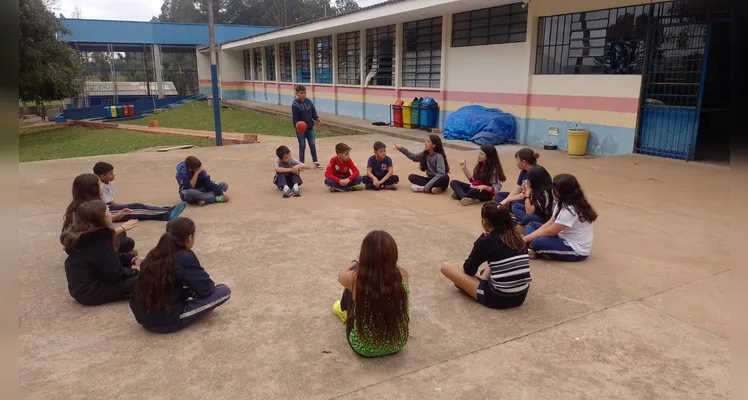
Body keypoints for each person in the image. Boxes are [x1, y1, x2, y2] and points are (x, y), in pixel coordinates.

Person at [130, 217, 231, 334]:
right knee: (223, 291)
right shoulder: (184, 257)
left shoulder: (154, 253)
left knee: (185, 283)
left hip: (141, 315)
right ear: (189, 238)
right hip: (165, 321)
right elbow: (207, 290)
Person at [332, 230, 409, 357]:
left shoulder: (355, 279)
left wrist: (353, 265)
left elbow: (340, 276)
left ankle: (343, 310)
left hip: (364, 348)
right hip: (397, 343)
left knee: (351, 287)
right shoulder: (403, 275)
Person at [440, 202, 531, 309]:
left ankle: (476, 286)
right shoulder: (517, 237)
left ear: (485, 221)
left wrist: (480, 239)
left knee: (446, 267)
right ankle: (481, 282)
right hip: (520, 296)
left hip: (497, 298)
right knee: (497, 260)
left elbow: (469, 270)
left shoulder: (485, 241)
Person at [62, 200, 140, 306]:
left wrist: (131, 258)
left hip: (84, 287)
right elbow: (115, 274)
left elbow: (110, 258)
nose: (110, 214)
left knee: (139, 261)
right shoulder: (99, 240)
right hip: (91, 292)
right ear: (101, 218)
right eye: (108, 212)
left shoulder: (85, 235)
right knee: (144, 276)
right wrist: (134, 270)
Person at [524, 174, 597, 262]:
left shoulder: (570, 209)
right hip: (561, 236)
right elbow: (550, 223)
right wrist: (530, 237)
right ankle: (531, 247)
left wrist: (525, 239)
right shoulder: (563, 202)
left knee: (537, 242)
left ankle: (531, 247)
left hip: (575, 249)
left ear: (560, 192)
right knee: (533, 225)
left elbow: (550, 231)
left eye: (554, 189)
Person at [63, 173, 137, 255]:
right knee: (128, 242)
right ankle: (114, 256)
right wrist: (122, 227)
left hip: (83, 241)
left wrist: (117, 216)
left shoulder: (77, 204)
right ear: (94, 189)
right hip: (87, 245)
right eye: (100, 185)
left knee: (122, 235)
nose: (102, 187)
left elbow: (98, 221)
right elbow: (96, 236)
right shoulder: (90, 208)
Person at [93, 161, 186, 221]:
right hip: (108, 211)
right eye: (110, 174)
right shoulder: (99, 186)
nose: (113, 175)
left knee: (138, 206)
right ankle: (167, 214)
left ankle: (168, 210)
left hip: (109, 208)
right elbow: (111, 203)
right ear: (102, 177)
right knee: (135, 210)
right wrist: (125, 206)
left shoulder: (108, 183)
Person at [292, 85, 323, 168]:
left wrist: (318, 119)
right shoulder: (295, 104)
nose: (303, 95)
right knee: (302, 145)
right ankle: (301, 163)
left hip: (310, 128)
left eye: (305, 93)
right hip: (301, 129)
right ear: (297, 93)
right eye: (301, 93)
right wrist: (297, 127)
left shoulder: (309, 102)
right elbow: (295, 118)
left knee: (312, 144)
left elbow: (313, 113)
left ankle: (316, 162)